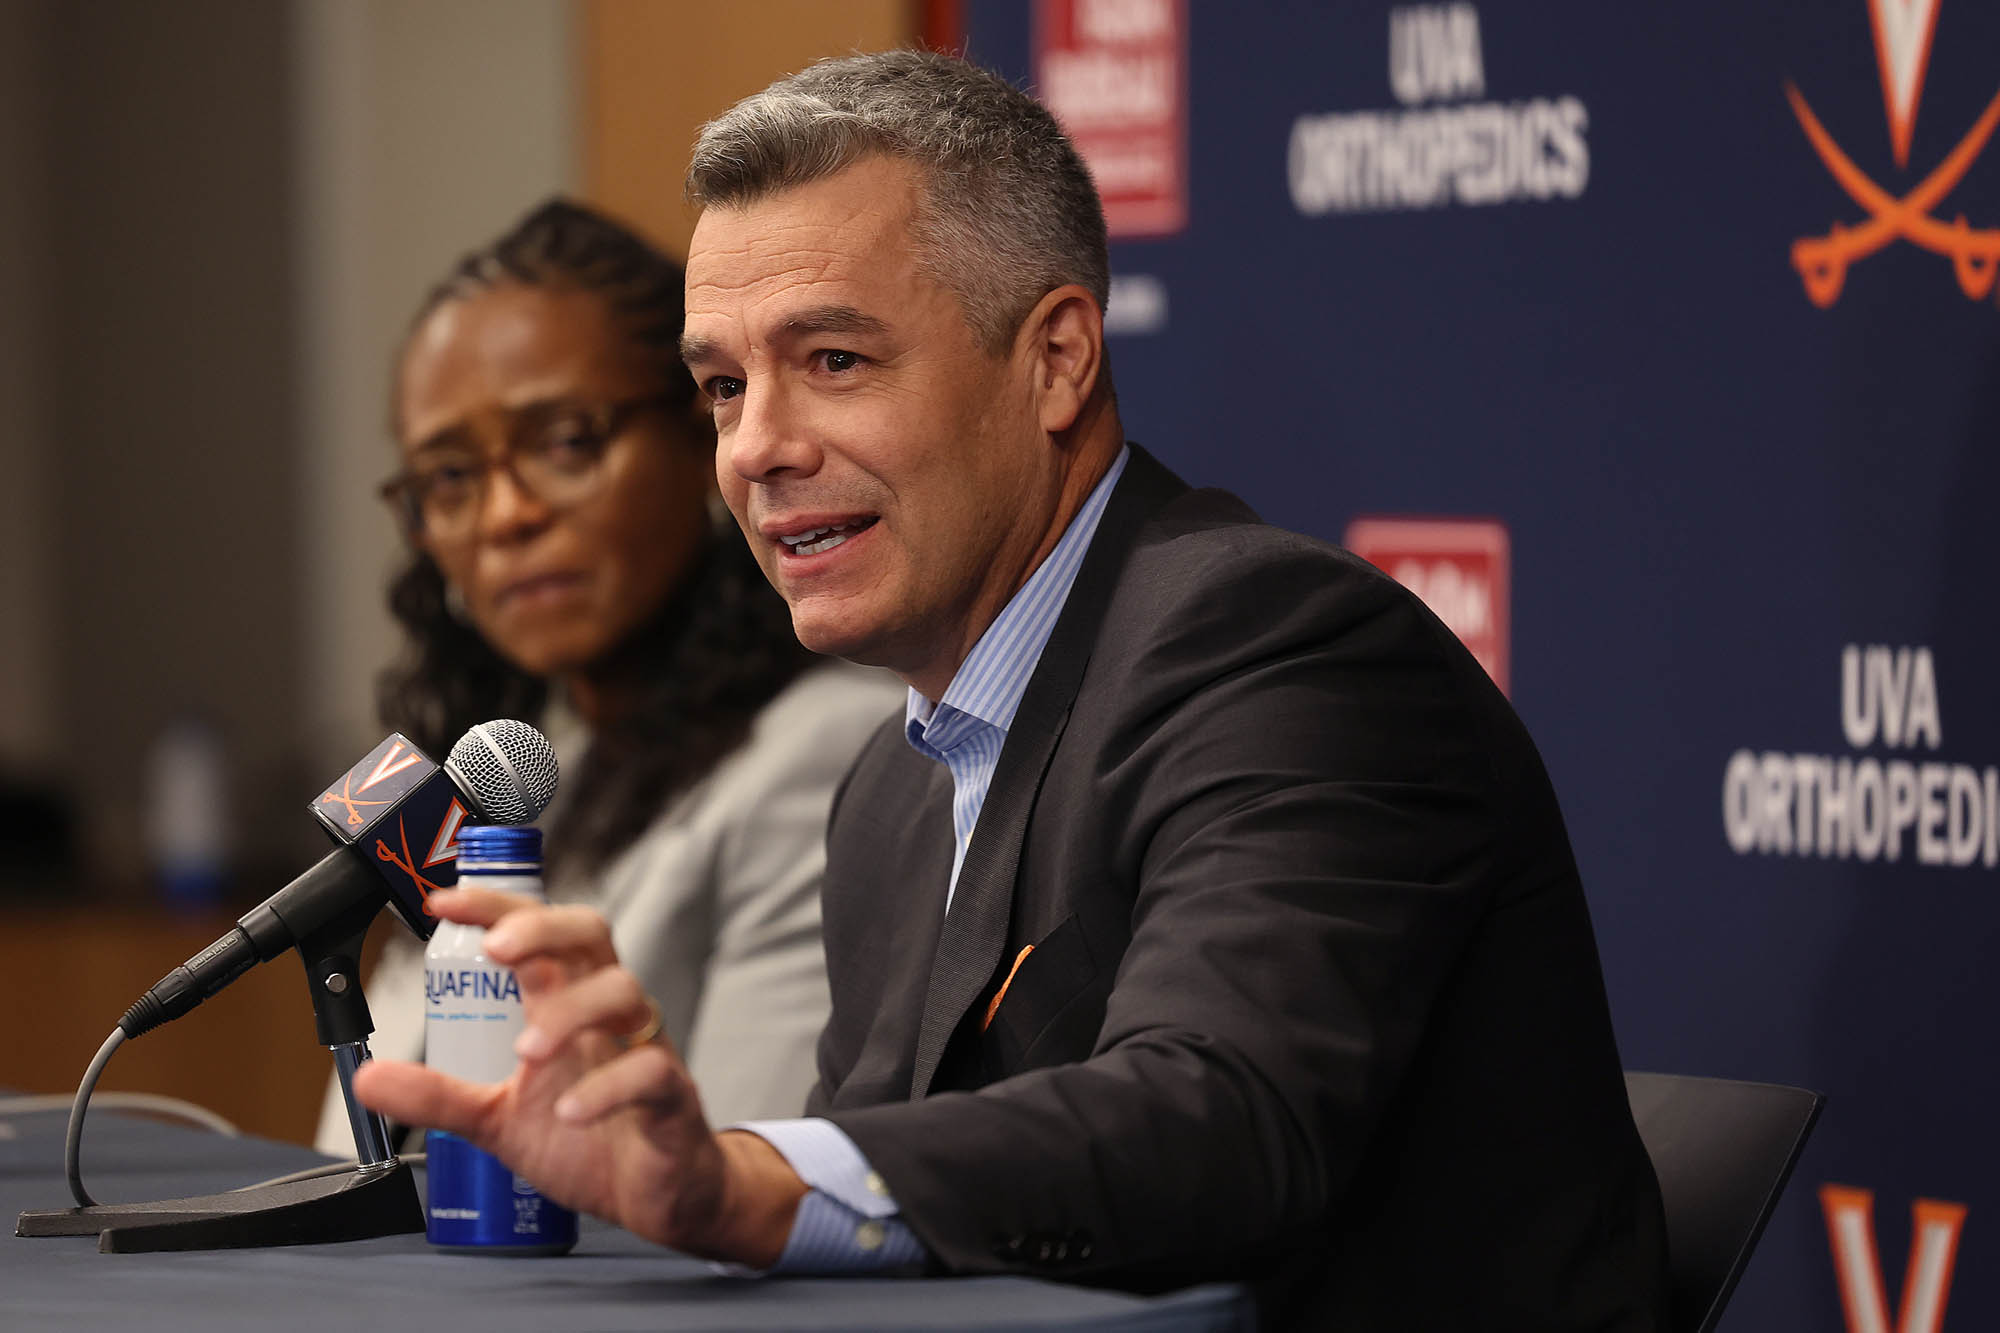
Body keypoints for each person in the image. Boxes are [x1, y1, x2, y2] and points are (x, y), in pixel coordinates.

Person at [357, 52, 1671, 1329]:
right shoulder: (889, 791)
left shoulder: (1281, 646)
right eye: (722, 386)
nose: (756, 448)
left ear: (1055, 361)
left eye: (835, 362)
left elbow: (1221, 1113)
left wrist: (745, 1178)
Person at [314, 200, 900, 1155]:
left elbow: (743, 1180)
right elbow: (351, 1147)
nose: (505, 515)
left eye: (566, 441)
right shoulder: (519, 772)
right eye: (451, 477)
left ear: (700, 431)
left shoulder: (827, 755)